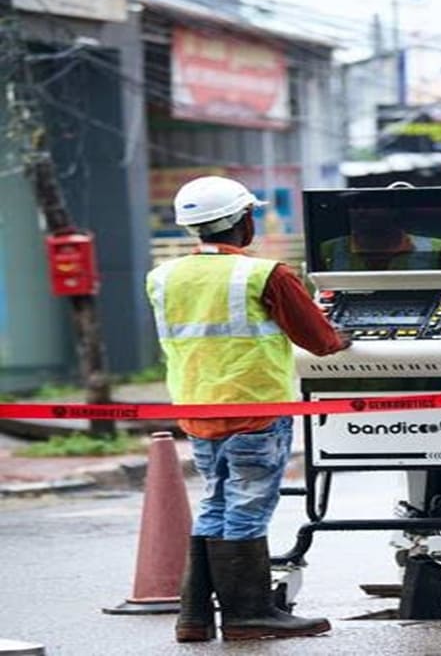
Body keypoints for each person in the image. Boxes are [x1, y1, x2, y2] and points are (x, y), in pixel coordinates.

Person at [146, 176, 352, 643]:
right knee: (247, 506)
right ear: (244, 220)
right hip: (257, 411)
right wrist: (344, 336)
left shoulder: (162, 277)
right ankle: (249, 614)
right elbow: (319, 341)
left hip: (198, 410)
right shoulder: (265, 274)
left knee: (216, 500)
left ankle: (194, 617)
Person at [320, 206, 441, 271]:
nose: (361, 212)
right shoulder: (329, 248)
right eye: (355, 207)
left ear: (393, 210)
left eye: (370, 207)